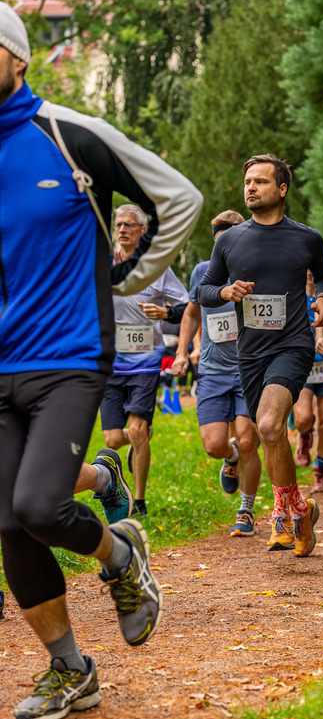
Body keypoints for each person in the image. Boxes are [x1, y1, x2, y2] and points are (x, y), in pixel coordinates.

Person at [0, 2, 202, 719]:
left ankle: (118, 557)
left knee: (38, 508)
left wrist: (126, 279)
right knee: (6, 522)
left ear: (18, 57)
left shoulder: (69, 133)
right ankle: (70, 670)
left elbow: (178, 197)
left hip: (69, 355)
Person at [198, 154, 323, 556]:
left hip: (292, 345)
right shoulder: (231, 241)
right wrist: (225, 292)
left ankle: (280, 510)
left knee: (271, 425)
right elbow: (203, 291)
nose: (251, 188)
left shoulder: (306, 238)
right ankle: (298, 508)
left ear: (282, 188)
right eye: (248, 182)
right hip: (250, 353)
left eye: (260, 181)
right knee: (267, 435)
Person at [172, 210, 262, 536]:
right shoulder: (202, 272)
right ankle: (231, 456)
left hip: (249, 368)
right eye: (218, 240)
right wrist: (183, 352)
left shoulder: (257, 270)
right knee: (214, 445)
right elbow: (190, 315)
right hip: (212, 370)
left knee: (250, 437)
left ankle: (247, 509)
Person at [99, 204, 189, 518]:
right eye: (118, 224)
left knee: (137, 431)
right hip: (111, 361)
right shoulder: (103, 264)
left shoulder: (157, 266)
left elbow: (188, 306)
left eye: (129, 225)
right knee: (112, 439)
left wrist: (166, 313)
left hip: (147, 360)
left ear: (141, 230)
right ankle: (138, 445)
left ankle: (138, 502)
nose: (122, 230)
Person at [293, 273, 323, 494]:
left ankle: (320, 471)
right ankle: (304, 435)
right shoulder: (294, 296)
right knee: (303, 419)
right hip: (303, 365)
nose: (311, 273)